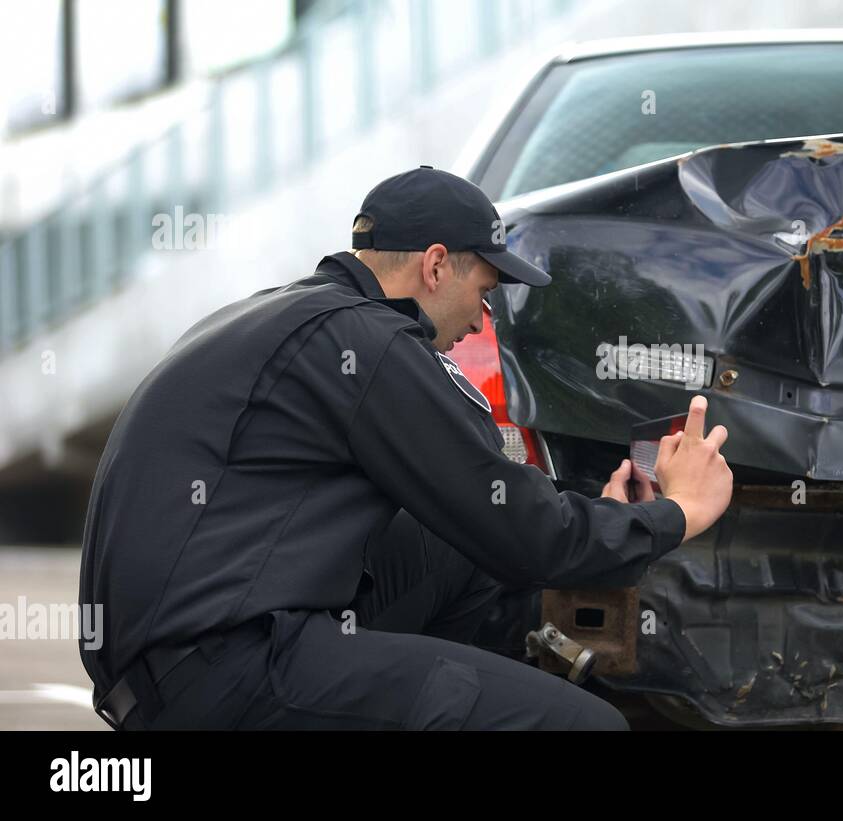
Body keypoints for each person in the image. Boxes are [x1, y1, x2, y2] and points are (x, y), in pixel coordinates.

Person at [79, 166, 733, 730]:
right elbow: (523, 531)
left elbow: (477, 508)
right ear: (436, 263)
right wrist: (675, 513)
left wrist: (604, 517)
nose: (483, 318)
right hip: (225, 669)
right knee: (587, 725)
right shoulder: (369, 343)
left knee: (453, 552)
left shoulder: (291, 318)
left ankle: (486, 687)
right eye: (484, 291)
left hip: (171, 664)